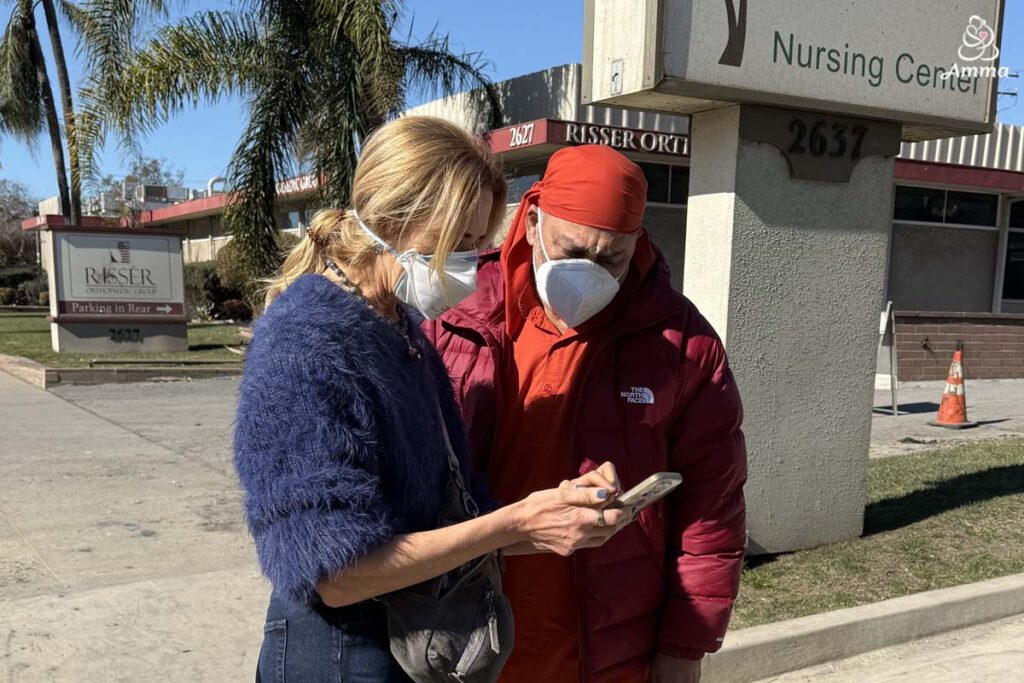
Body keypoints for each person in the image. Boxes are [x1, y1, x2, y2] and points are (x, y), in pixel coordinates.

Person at [234, 118, 632, 682]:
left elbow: (444, 515)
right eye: (461, 241)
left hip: (410, 639)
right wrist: (516, 520)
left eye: (478, 242)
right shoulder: (306, 343)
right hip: (341, 655)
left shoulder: (396, 326)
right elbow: (336, 574)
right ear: (396, 219)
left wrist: (553, 515)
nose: (473, 261)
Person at [425, 144, 748, 683]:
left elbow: (712, 511)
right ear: (530, 223)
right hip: (463, 636)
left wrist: (683, 650)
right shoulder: (455, 316)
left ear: (637, 244)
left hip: (606, 650)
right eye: (573, 250)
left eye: (612, 259)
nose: (590, 273)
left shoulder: (683, 345)